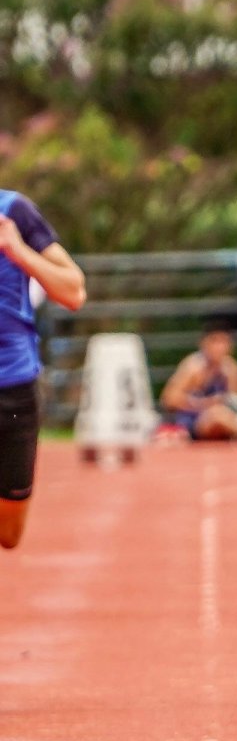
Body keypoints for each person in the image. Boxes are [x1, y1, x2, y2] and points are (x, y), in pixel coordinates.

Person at [0, 187, 86, 549]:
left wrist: (16, 250)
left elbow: (73, 292)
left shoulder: (13, 210)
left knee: (9, 534)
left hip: (12, 387)